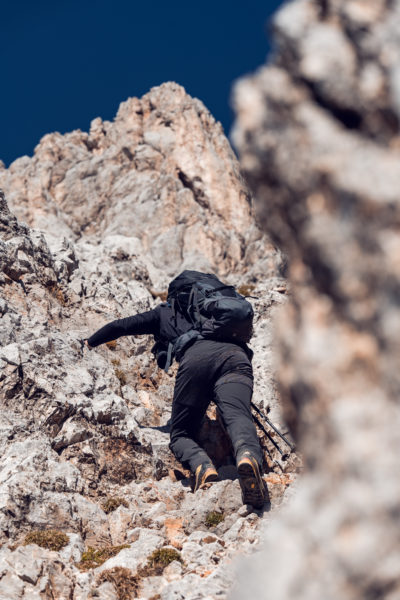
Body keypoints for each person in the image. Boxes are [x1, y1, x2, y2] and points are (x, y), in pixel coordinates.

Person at [84, 273, 266, 509]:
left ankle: (203, 467)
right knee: (239, 416)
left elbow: (121, 326)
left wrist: (90, 342)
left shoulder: (164, 312)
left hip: (195, 361)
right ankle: (247, 457)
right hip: (236, 357)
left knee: (180, 433)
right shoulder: (213, 310)